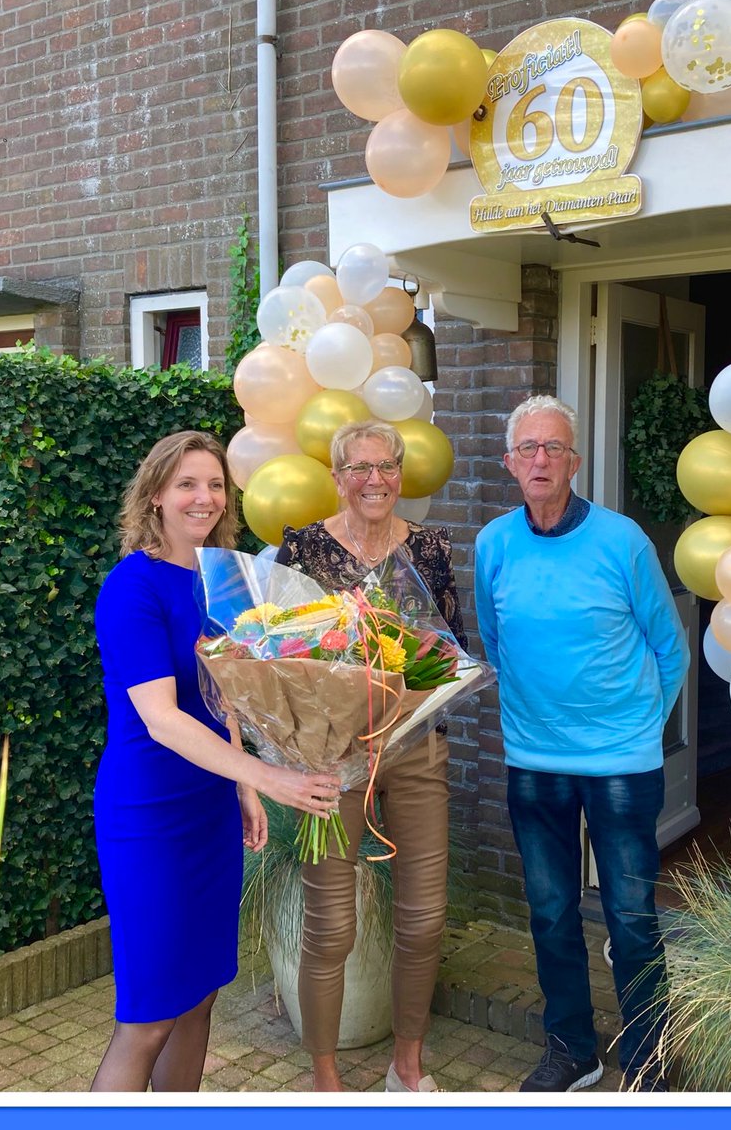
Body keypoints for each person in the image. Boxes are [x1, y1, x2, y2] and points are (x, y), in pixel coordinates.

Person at [92, 430, 340, 1092]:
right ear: (154, 496)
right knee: (148, 1017)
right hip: (149, 816)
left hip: (211, 809)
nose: (204, 497)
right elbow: (162, 717)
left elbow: (221, 696)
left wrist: (242, 790)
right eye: (186, 484)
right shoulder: (132, 588)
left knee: (200, 994)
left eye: (214, 484)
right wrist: (268, 776)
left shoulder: (221, 580)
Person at [473, 395, 690, 1093]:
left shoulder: (623, 542)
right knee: (550, 911)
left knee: (631, 917)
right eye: (528, 448)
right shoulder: (492, 544)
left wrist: (641, 728)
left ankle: (650, 1058)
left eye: (554, 448)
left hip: (622, 763)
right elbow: (495, 641)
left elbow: (671, 647)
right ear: (509, 462)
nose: (541, 459)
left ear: (575, 462)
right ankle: (573, 1049)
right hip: (533, 761)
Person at [276, 419, 467, 1093]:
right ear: (337, 477)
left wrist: (415, 689)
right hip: (333, 758)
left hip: (415, 748)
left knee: (425, 917)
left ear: (400, 474)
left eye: (386, 466)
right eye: (358, 467)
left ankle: (406, 1066)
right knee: (330, 926)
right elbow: (279, 653)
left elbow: (450, 650)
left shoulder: (430, 548)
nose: (374, 480)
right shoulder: (303, 549)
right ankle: (326, 1079)